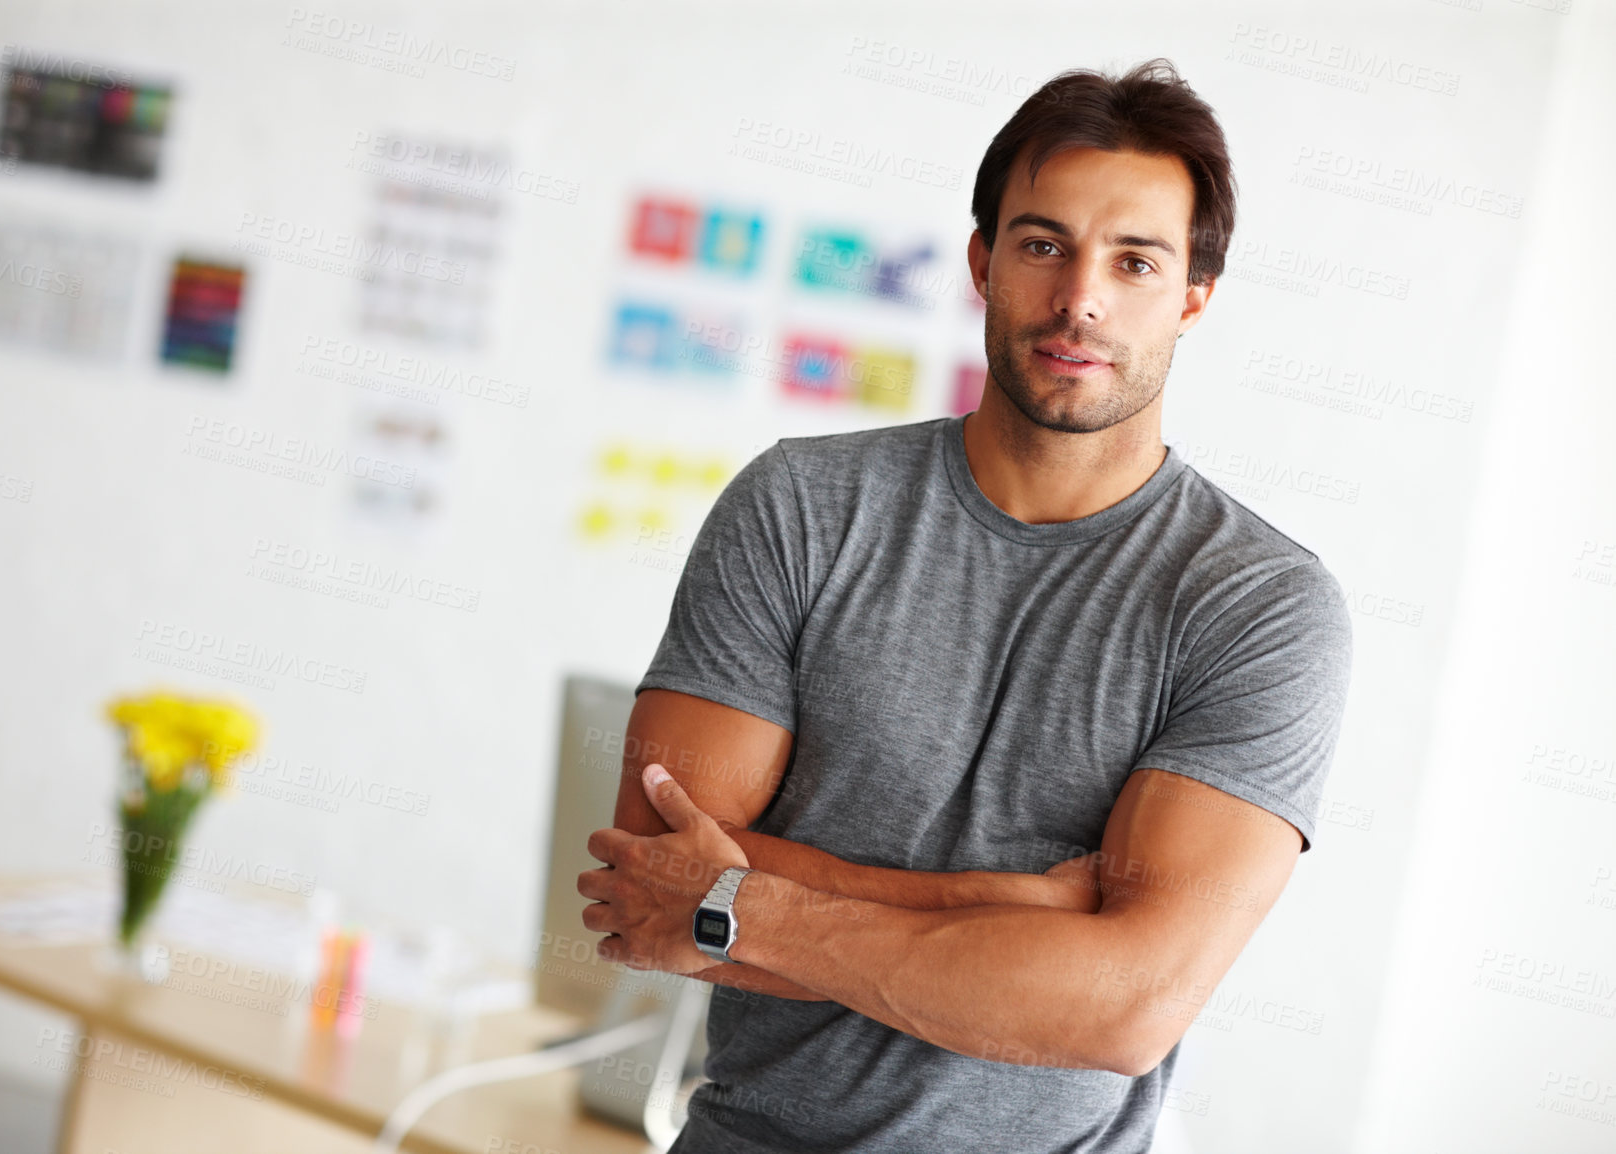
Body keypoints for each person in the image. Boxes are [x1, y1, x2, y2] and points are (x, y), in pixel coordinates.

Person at [577, 57, 1354, 1152]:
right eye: (1043, 244)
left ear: (1191, 297)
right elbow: (652, 889)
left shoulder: (1258, 605)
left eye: (1133, 260)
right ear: (983, 261)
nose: (1079, 296)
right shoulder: (801, 506)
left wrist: (749, 899)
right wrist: (1021, 910)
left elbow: (1125, 1005)